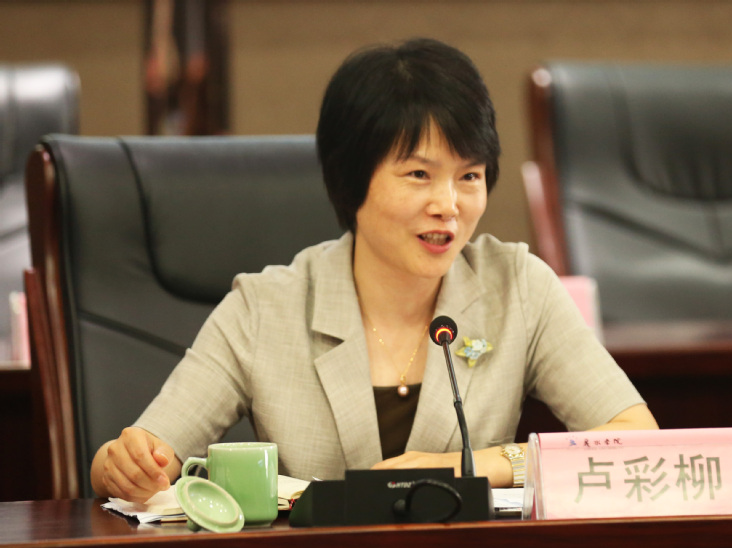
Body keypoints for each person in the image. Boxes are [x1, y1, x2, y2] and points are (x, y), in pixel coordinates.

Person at [91, 38, 657, 502]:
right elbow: (140, 455)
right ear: (351, 179)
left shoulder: (517, 286)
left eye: (469, 176)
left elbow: (639, 443)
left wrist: (480, 465)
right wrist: (123, 466)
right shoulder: (266, 308)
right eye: (418, 175)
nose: (449, 205)